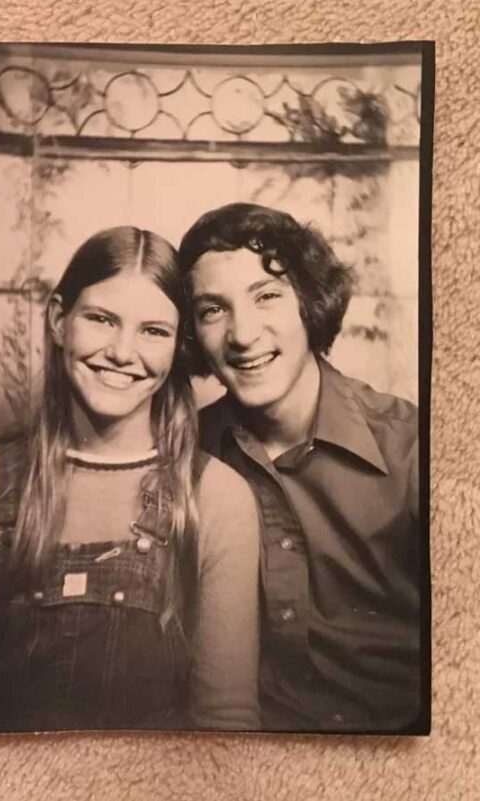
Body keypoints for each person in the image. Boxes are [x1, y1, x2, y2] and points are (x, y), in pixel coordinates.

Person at [0, 226, 261, 733]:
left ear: (177, 348)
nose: (123, 353)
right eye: (102, 320)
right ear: (60, 320)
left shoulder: (214, 497)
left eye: (154, 331)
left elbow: (226, 720)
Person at [177, 202, 422, 732]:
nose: (242, 335)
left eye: (266, 296)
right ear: (192, 334)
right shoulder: (181, 455)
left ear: (310, 305)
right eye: (212, 310)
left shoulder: (413, 449)